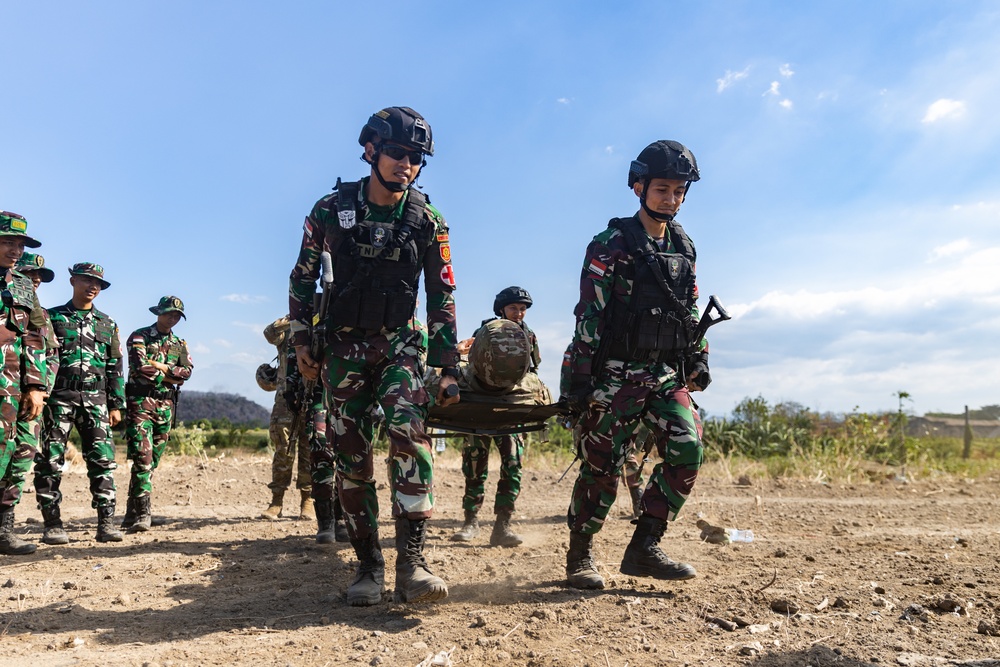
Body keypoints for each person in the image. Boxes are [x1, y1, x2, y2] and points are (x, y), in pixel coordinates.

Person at [289, 106, 459, 606]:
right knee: (351, 459)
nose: (407, 164)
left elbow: (442, 294)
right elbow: (301, 278)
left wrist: (447, 367)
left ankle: (415, 562)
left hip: (402, 344)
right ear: (371, 150)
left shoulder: (428, 219)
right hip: (342, 348)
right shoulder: (329, 210)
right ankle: (368, 565)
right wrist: (302, 341)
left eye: (416, 158)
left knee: (410, 433)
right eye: (398, 153)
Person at [561, 140, 712, 589]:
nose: (671, 198)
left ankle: (645, 545)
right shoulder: (610, 244)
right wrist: (578, 385)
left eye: (679, 191)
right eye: (662, 188)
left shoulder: (684, 246)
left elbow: (690, 308)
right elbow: (589, 316)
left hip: (665, 374)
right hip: (614, 375)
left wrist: (698, 359)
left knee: (688, 448)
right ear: (638, 186)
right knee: (602, 468)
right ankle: (580, 555)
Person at [34, 263, 127, 544]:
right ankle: (52, 524)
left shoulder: (108, 324)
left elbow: (115, 367)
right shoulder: (52, 318)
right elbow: (41, 357)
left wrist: (115, 404)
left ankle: (106, 523)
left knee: (102, 460)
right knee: (50, 460)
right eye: (87, 280)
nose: (93, 286)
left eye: (98, 283)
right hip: (60, 398)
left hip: (96, 400)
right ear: (73, 280)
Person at [451, 286, 540, 547]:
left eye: (522, 309)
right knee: (475, 466)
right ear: (501, 309)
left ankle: (502, 526)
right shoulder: (484, 333)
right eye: (514, 308)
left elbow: (532, 369)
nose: (519, 313)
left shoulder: (529, 335)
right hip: (479, 405)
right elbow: (469, 362)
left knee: (512, 466)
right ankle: (471, 521)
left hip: (511, 407)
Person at [120, 296, 193, 532]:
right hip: (140, 403)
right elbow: (140, 366)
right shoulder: (139, 336)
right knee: (143, 458)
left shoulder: (179, 343)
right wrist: (171, 375)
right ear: (159, 312)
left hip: (165, 407)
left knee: (152, 461)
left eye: (177, 316)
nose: (173, 318)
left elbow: (187, 372)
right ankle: (143, 513)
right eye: (169, 313)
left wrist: (162, 368)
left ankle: (131, 514)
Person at [0, 215, 49, 556]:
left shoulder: (22, 285)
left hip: (15, 387)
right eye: (9, 243)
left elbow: (35, 337)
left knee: (21, 453)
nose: (17, 250)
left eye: (20, 245)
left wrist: (35, 385)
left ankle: (4, 528)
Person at [259, 316, 317, 523]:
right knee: (283, 450)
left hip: (314, 397)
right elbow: (269, 333)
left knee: (310, 451)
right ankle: (276, 502)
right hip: (286, 399)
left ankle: (307, 501)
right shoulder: (290, 329)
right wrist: (295, 317)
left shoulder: (321, 329)